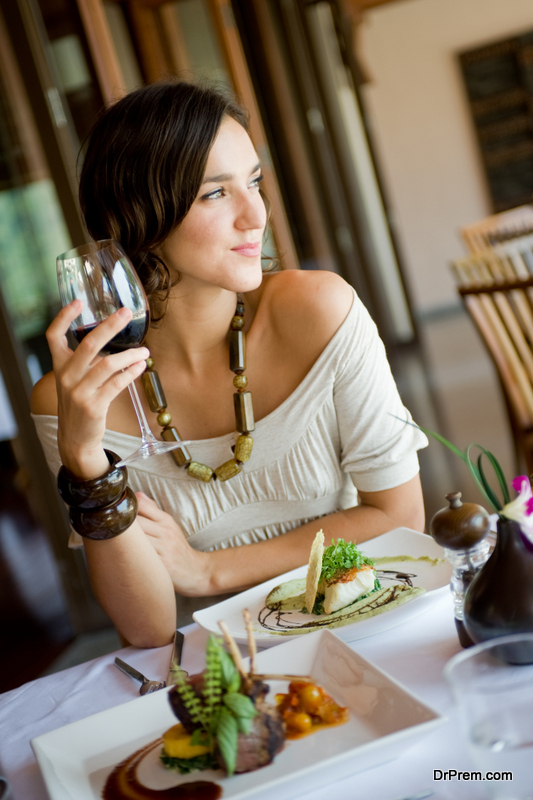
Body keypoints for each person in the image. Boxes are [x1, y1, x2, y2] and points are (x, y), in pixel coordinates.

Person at [30, 81, 427, 647]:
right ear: (135, 214)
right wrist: (85, 462)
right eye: (215, 194)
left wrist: (207, 571)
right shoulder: (72, 398)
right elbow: (146, 628)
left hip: (367, 626)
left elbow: (399, 516)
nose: (255, 215)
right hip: (224, 670)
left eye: (255, 182)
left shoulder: (318, 311)